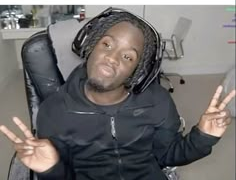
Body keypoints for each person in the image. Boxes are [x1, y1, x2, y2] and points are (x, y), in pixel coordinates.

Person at [0, 10, 235, 180]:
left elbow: (168, 156)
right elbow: (65, 176)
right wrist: (51, 169)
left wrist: (203, 136)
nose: (112, 58)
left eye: (128, 57)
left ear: (139, 70)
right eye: (107, 45)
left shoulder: (158, 102)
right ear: (90, 46)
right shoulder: (54, 112)